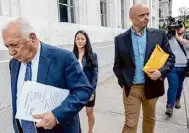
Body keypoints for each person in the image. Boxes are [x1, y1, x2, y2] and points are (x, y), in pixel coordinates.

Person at [2, 17, 93, 133]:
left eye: (14, 45)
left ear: (33, 39)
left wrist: (56, 115)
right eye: (7, 46)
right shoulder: (14, 64)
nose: (11, 52)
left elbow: (83, 90)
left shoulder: (63, 58)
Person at [113, 4, 175, 133]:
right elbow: (117, 65)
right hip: (132, 88)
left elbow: (170, 58)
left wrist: (160, 72)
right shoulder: (120, 39)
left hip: (152, 86)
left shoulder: (159, 35)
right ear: (132, 18)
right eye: (142, 15)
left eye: (147, 14)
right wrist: (124, 80)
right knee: (130, 124)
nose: (146, 17)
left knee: (149, 119)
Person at [73, 30, 98, 133]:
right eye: (78, 39)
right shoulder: (72, 55)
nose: (80, 41)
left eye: (82, 39)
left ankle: (90, 131)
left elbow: (95, 74)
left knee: (89, 112)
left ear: (86, 41)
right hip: (75, 89)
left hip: (88, 88)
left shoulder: (92, 55)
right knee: (74, 113)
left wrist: (92, 90)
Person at [165, 22, 189, 116]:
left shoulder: (187, 36)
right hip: (172, 67)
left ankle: (177, 100)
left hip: (184, 67)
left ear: (184, 28)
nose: (179, 28)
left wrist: (177, 37)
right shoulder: (169, 37)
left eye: (181, 26)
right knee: (173, 86)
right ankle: (169, 106)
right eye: (177, 26)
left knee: (179, 86)